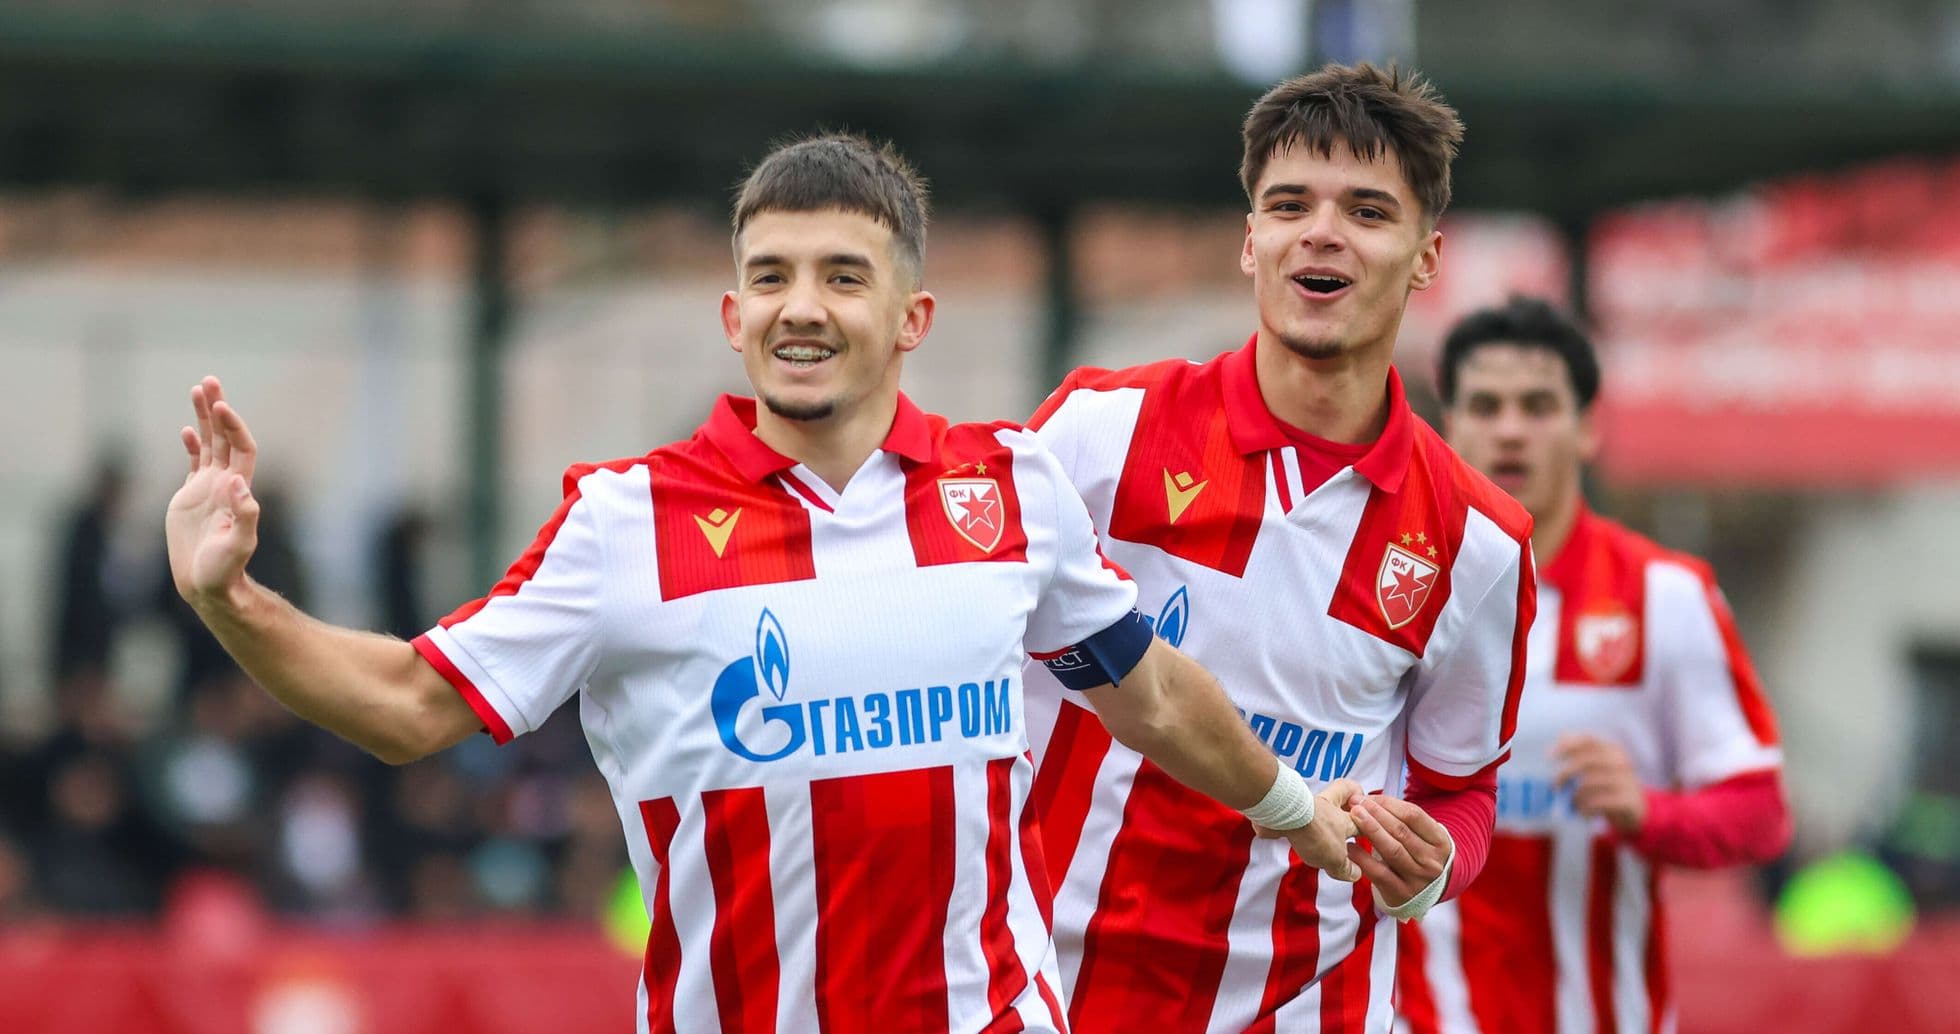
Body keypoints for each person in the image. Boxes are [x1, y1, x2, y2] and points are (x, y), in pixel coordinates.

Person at [163, 133, 1363, 1033]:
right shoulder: (624, 522)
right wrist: (232, 598)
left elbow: (1146, 691)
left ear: (912, 316)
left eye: (844, 276)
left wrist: (1303, 814)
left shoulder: (1012, 486)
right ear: (733, 313)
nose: (803, 307)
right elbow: (408, 704)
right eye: (773, 276)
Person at [1024, 63, 1535, 1032]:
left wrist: (1431, 868)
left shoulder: (1478, 542)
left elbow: (1460, 786)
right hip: (1049, 978)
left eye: (1367, 211)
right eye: (1289, 203)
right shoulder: (1100, 431)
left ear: (1426, 257)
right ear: (1250, 241)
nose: (1322, 232)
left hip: (1305, 1001)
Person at [1395, 296, 1791, 1033]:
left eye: (1538, 405)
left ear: (1587, 428)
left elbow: (1761, 813)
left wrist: (1650, 812)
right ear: (1448, 428)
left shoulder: (1664, 595)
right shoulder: (1393, 588)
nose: (1510, 429)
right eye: (1485, 405)